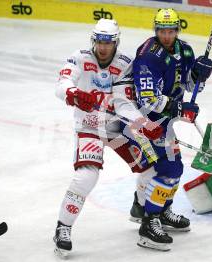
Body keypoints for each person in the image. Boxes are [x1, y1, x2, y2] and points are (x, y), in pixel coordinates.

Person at [52, 18, 162, 257]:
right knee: (85, 177)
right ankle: (63, 227)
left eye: (108, 42)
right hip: (89, 127)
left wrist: (143, 122)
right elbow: (62, 83)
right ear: (94, 40)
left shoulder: (124, 63)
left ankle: (141, 209)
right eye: (99, 41)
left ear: (116, 42)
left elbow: (123, 103)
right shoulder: (80, 57)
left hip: (117, 129)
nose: (103, 47)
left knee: (151, 169)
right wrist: (74, 94)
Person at [129, 8, 212, 251]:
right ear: (156, 31)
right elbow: (147, 100)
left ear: (177, 30)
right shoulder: (148, 55)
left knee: (169, 168)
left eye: (171, 31)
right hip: (146, 122)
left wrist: (199, 75)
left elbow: (187, 83)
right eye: (162, 31)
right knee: (170, 169)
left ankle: (158, 210)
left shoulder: (185, 50)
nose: (166, 36)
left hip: (165, 121)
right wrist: (178, 107)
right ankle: (148, 222)